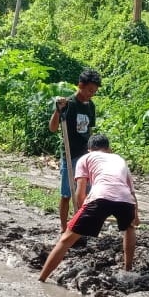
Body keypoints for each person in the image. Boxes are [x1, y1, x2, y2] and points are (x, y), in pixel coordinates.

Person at [39, 134, 139, 282]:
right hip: (125, 200)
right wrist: (136, 216)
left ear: (89, 149)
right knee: (129, 228)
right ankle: (128, 270)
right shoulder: (119, 159)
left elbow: (80, 192)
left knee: (65, 239)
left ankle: (41, 278)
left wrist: (81, 212)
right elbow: (131, 193)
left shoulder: (85, 158)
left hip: (99, 197)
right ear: (109, 149)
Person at [48, 68, 101, 232]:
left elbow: (90, 131)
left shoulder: (91, 106)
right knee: (66, 195)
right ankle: (64, 228)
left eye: (94, 92)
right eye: (90, 90)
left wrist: (93, 151)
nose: (91, 94)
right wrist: (58, 110)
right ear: (81, 85)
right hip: (70, 154)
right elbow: (53, 128)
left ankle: (80, 227)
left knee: (85, 194)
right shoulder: (68, 104)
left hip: (85, 156)